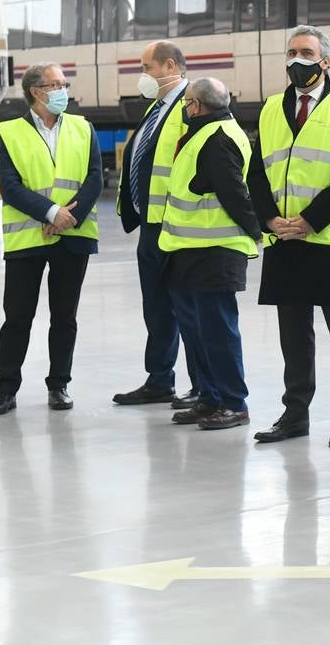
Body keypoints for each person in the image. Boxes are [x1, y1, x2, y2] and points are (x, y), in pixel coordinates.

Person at [248, 26, 330, 447]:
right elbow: (256, 174)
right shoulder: (269, 108)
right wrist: (269, 219)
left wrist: (310, 220)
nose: (298, 59)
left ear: (326, 60)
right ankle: (295, 413)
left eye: (307, 52)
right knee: (293, 332)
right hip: (283, 239)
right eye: (292, 52)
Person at [0, 63, 102, 416]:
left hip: (74, 235)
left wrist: (70, 217)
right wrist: (51, 213)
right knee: (17, 316)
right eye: (56, 84)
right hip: (29, 237)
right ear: (36, 91)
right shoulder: (8, 132)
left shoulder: (83, 127)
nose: (63, 89)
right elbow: (11, 185)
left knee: (65, 316)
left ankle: (59, 385)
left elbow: (95, 177)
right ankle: (5, 389)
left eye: (64, 83)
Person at [160, 78, 262, 431]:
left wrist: (256, 231)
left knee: (218, 330)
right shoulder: (205, 132)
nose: (184, 109)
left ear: (198, 106)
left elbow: (234, 193)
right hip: (190, 250)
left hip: (215, 251)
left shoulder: (218, 138)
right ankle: (210, 398)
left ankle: (233, 402)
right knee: (198, 330)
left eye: (187, 103)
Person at [113, 41, 196, 407]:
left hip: (176, 225)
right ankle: (160, 379)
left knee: (188, 308)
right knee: (157, 307)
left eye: (147, 67)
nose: (143, 74)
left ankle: (202, 385)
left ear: (170, 66)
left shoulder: (192, 105)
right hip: (150, 224)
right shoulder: (157, 108)